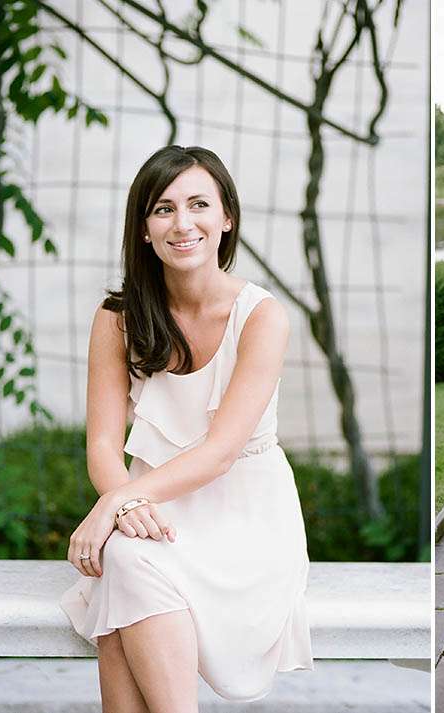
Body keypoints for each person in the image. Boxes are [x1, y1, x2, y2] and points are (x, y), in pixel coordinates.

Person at [59, 145, 312, 712]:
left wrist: (114, 507)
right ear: (144, 228)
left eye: (199, 204)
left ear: (226, 218)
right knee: (123, 559)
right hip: (155, 512)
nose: (182, 223)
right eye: (163, 208)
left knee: (120, 562)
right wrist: (122, 505)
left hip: (245, 515)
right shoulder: (117, 317)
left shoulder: (262, 316)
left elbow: (222, 452)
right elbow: (101, 442)